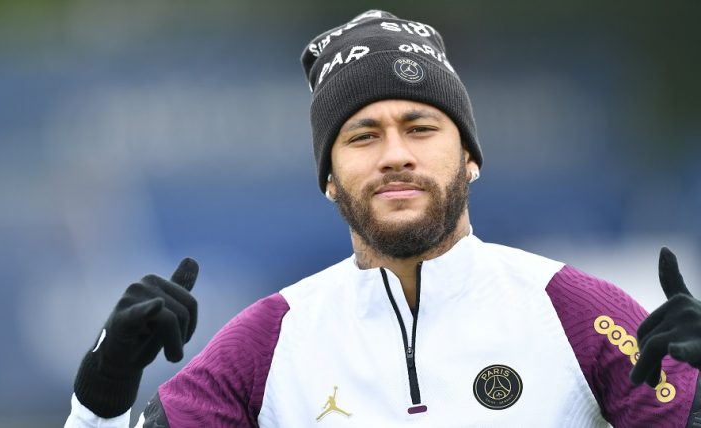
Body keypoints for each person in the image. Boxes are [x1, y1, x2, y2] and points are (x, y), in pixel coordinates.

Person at [65, 10, 701, 427]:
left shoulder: (577, 312)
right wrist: (104, 391)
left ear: (470, 158)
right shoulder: (266, 342)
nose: (396, 154)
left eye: (420, 127)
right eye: (363, 135)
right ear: (329, 179)